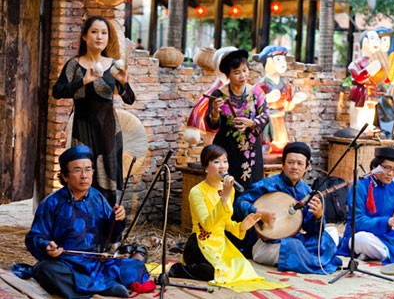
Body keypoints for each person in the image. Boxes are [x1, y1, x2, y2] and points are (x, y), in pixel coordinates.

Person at [25, 145, 149, 298]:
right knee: (44, 269)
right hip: (66, 265)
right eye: (77, 170)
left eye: (88, 169)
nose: (84, 175)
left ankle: (87, 286)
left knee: (135, 266)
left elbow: (113, 236)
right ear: (65, 176)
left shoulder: (97, 198)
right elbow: (33, 238)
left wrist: (118, 220)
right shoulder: (52, 203)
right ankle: (105, 287)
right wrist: (46, 246)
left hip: (97, 264)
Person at [169, 144, 286, 292]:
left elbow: (225, 222)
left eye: (225, 161)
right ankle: (177, 269)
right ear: (205, 166)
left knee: (241, 268)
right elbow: (207, 225)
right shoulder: (197, 192)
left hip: (220, 243)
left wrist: (241, 226)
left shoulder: (227, 191)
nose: (223, 166)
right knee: (211, 272)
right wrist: (223, 199)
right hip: (200, 242)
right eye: (216, 162)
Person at [52, 16, 135, 207]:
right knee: (82, 173)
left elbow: (130, 99)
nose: (99, 37)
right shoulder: (74, 64)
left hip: (108, 129)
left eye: (104, 33)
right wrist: (83, 81)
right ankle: (82, 226)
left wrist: (123, 83)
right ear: (84, 36)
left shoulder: (114, 65)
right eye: (94, 32)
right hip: (82, 127)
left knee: (108, 177)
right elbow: (57, 92)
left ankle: (108, 230)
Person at [236, 142, 342, 274]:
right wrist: (258, 212)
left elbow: (310, 230)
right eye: (290, 162)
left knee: (328, 234)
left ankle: (310, 260)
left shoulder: (306, 191)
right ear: (283, 164)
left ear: (307, 167)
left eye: (299, 163)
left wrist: (318, 216)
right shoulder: (268, 184)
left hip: (293, 238)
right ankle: (316, 261)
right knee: (293, 246)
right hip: (267, 244)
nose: (294, 167)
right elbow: (240, 202)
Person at [205, 49, 270, 191]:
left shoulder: (256, 92)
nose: (243, 75)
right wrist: (215, 111)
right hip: (227, 149)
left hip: (251, 150)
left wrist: (252, 123)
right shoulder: (219, 94)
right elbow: (212, 124)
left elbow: (265, 115)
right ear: (228, 75)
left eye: (245, 70)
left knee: (251, 189)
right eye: (237, 72)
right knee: (226, 188)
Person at [254, 45, 306, 153]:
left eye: (283, 60)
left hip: (280, 124)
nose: (282, 63)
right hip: (267, 125)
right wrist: (266, 99)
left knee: (281, 150)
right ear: (267, 62)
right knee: (266, 150)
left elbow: (286, 107)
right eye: (278, 59)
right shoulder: (261, 85)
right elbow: (254, 106)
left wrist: (295, 101)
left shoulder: (286, 87)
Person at [183, 47, 238, 145]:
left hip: (233, 129)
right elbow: (201, 105)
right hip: (213, 127)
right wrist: (194, 125)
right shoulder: (217, 89)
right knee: (214, 152)